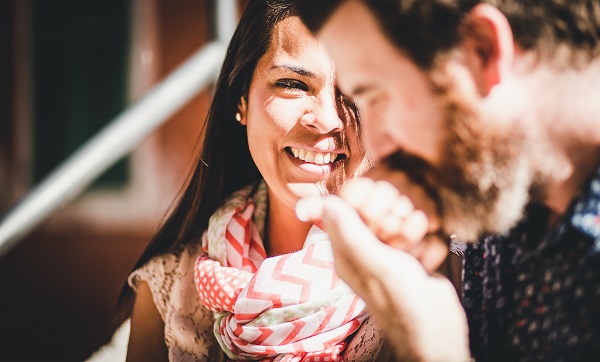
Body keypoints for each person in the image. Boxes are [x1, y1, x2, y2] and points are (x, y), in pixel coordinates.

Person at [293, 0, 600, 361]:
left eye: (377, 95)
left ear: (483, 50)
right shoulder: (504, 187)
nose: (376, 145)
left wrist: (434, 350)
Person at [117, 0, 394, 361]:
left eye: (356, 87)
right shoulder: (169, 294)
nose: (327, 119)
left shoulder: (427, 280)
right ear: (242, 101)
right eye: (293, 84)